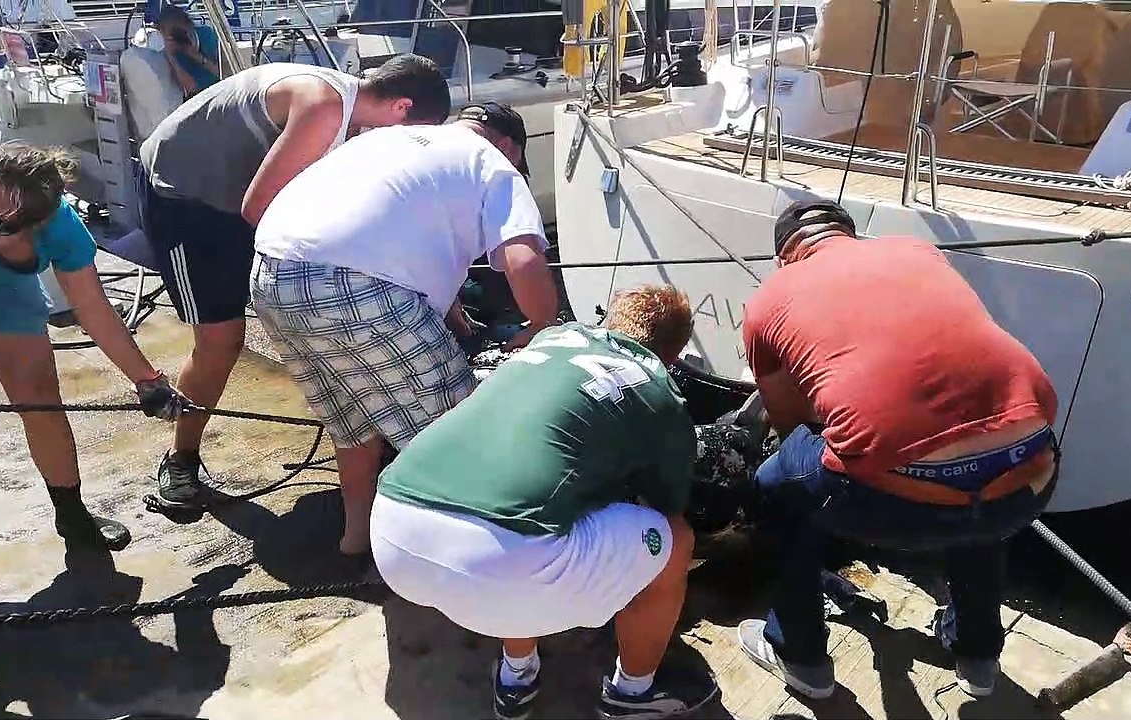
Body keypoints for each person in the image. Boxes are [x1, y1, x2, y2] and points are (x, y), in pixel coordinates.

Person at [735, 199, 1060, 699]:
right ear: (851, 236)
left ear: (784, 257)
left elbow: (790, 426)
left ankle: (799, 656)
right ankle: (977, 656)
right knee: (977, 473)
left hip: (897, 504)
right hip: (1030, 475)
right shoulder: (916, 250)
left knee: (774, 486)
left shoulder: (767, 300)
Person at [370, 286, 719, 720]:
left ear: (609, 321)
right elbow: (666, 506)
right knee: (676, 541)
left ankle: (516, 677)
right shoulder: (658, 390)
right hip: (502, 561)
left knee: (526, 501)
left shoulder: (552, 338)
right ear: (674, 355)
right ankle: (632, 694)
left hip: (394, 528)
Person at [136, 53, 451, 511]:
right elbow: (257, 210)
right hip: (184, 197)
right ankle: (180, 457)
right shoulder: (323, 106)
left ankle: (369, 437)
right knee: (221, 340)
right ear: (401, 107)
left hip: (239, 190)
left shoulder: (350, 113)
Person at [250, 101, 559, 559]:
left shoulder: (390, 138)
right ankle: (459, 561)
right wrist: (544, 326)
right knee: (459, 432)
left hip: (272, 273)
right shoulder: (493, 162)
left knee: (352, 422)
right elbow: (523, 258)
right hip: (357, 289)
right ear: (510, 146)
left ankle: (356, 540)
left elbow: (387, 224)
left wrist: (452, 313)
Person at [0, 143, 187, 598]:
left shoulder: (61, 228)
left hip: (3, 292)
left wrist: (147, 380)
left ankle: (72, 514)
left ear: (34, 224)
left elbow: (93, 309)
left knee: (41, 400)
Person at [155, 3, 221, 98]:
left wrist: (198, 56)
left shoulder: (207, 35)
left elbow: (223, 73)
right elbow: (191, 89)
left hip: (218, 89)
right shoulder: (168, 53)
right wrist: (171, 57)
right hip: (196, 97)